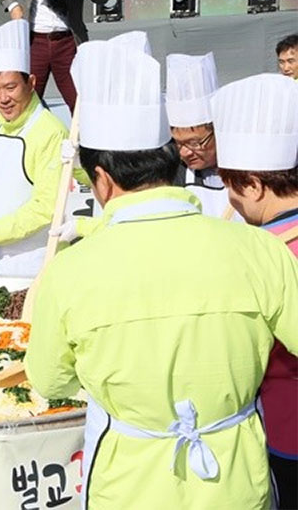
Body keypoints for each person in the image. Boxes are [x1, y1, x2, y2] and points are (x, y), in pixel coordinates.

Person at [25, 34, 298, 509]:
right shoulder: (260, 250)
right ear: (171, 163)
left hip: (128, 486)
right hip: (237, 483)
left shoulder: (70, 272)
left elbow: (49, 380)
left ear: (102, 180)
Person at [215, 73, 298, 510]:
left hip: (285, 427)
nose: (230, 201)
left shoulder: (259, 253)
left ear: (252, 184)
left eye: (231, 186)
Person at [0, 19, 71, 277]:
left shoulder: (49, 131)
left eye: (11, 87)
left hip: (34, 262)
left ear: (31, 83)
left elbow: (47, 206)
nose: (3, 98)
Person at [0, 0, 109, 113]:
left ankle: (82, 134)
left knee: (79, 104)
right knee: (27, 103)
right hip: (35, 43)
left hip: (68, 43)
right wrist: (13, 7)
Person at [166, 52, 238, 219]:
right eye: (178, 144)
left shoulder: (248, 169)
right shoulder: (173, 175)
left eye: (195, 143)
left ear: (218, 132)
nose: (185, 153)